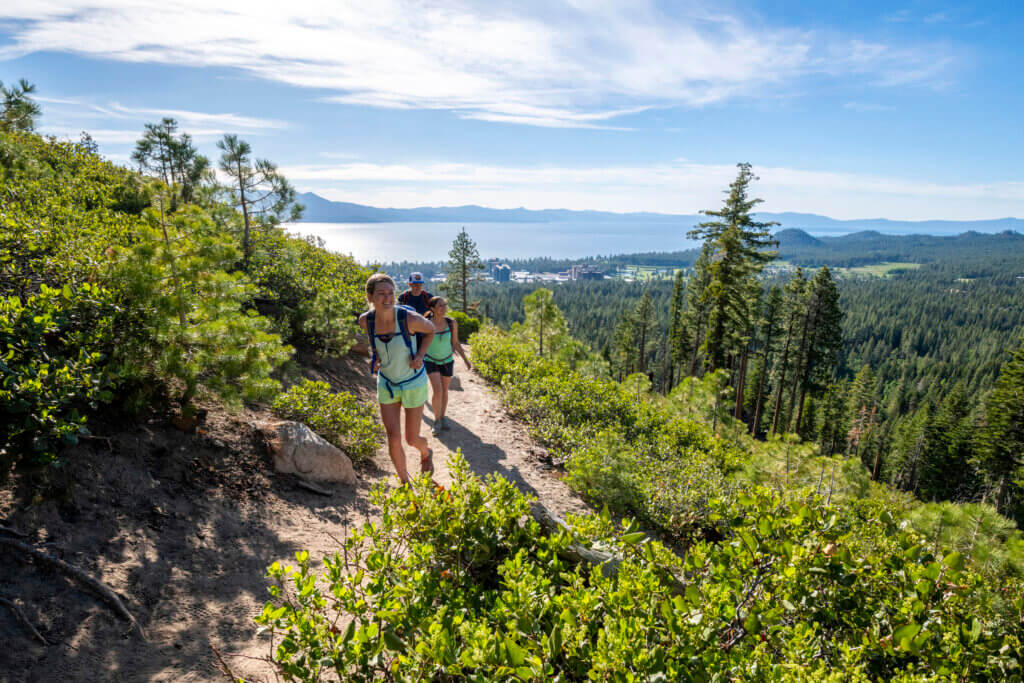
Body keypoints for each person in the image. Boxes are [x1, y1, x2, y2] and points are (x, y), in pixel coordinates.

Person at [358, 273, 436, 482]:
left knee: (411, 439)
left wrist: (420, 355)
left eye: (390, 293)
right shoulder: (366, 321)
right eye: (381, 294)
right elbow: (374, 341)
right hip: (387, 383)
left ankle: (426, 451)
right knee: (393, 437)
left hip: (413, 383)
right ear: (370, 297)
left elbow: (431, 330)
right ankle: (405, 484)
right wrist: (374, 355)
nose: (387, 298)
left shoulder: (408, 318)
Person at [423, 296, 472, 436]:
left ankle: (443, 417)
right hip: (430, 360)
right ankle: (436, 421)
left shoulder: (451, 323)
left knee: (445, 391)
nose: (444, 308)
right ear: (432, 308)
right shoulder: (426, 323)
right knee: (437, 391)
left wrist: (466, 360)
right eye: (440, 306)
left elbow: (456, 343)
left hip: (447, 361)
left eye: (445, 305)